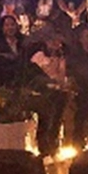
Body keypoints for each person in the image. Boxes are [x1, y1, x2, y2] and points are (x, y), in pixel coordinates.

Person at [29, 29, 69, 158]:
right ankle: (43, 148)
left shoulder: (61, 57)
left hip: (59, 91)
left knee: (57, 119)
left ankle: (54, 145)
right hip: (44, 92)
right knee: (45, 120)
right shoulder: (39, 56)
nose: (56, 44)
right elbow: (36, 73)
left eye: (58, 42)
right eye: (53, 41)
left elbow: (61, 76)